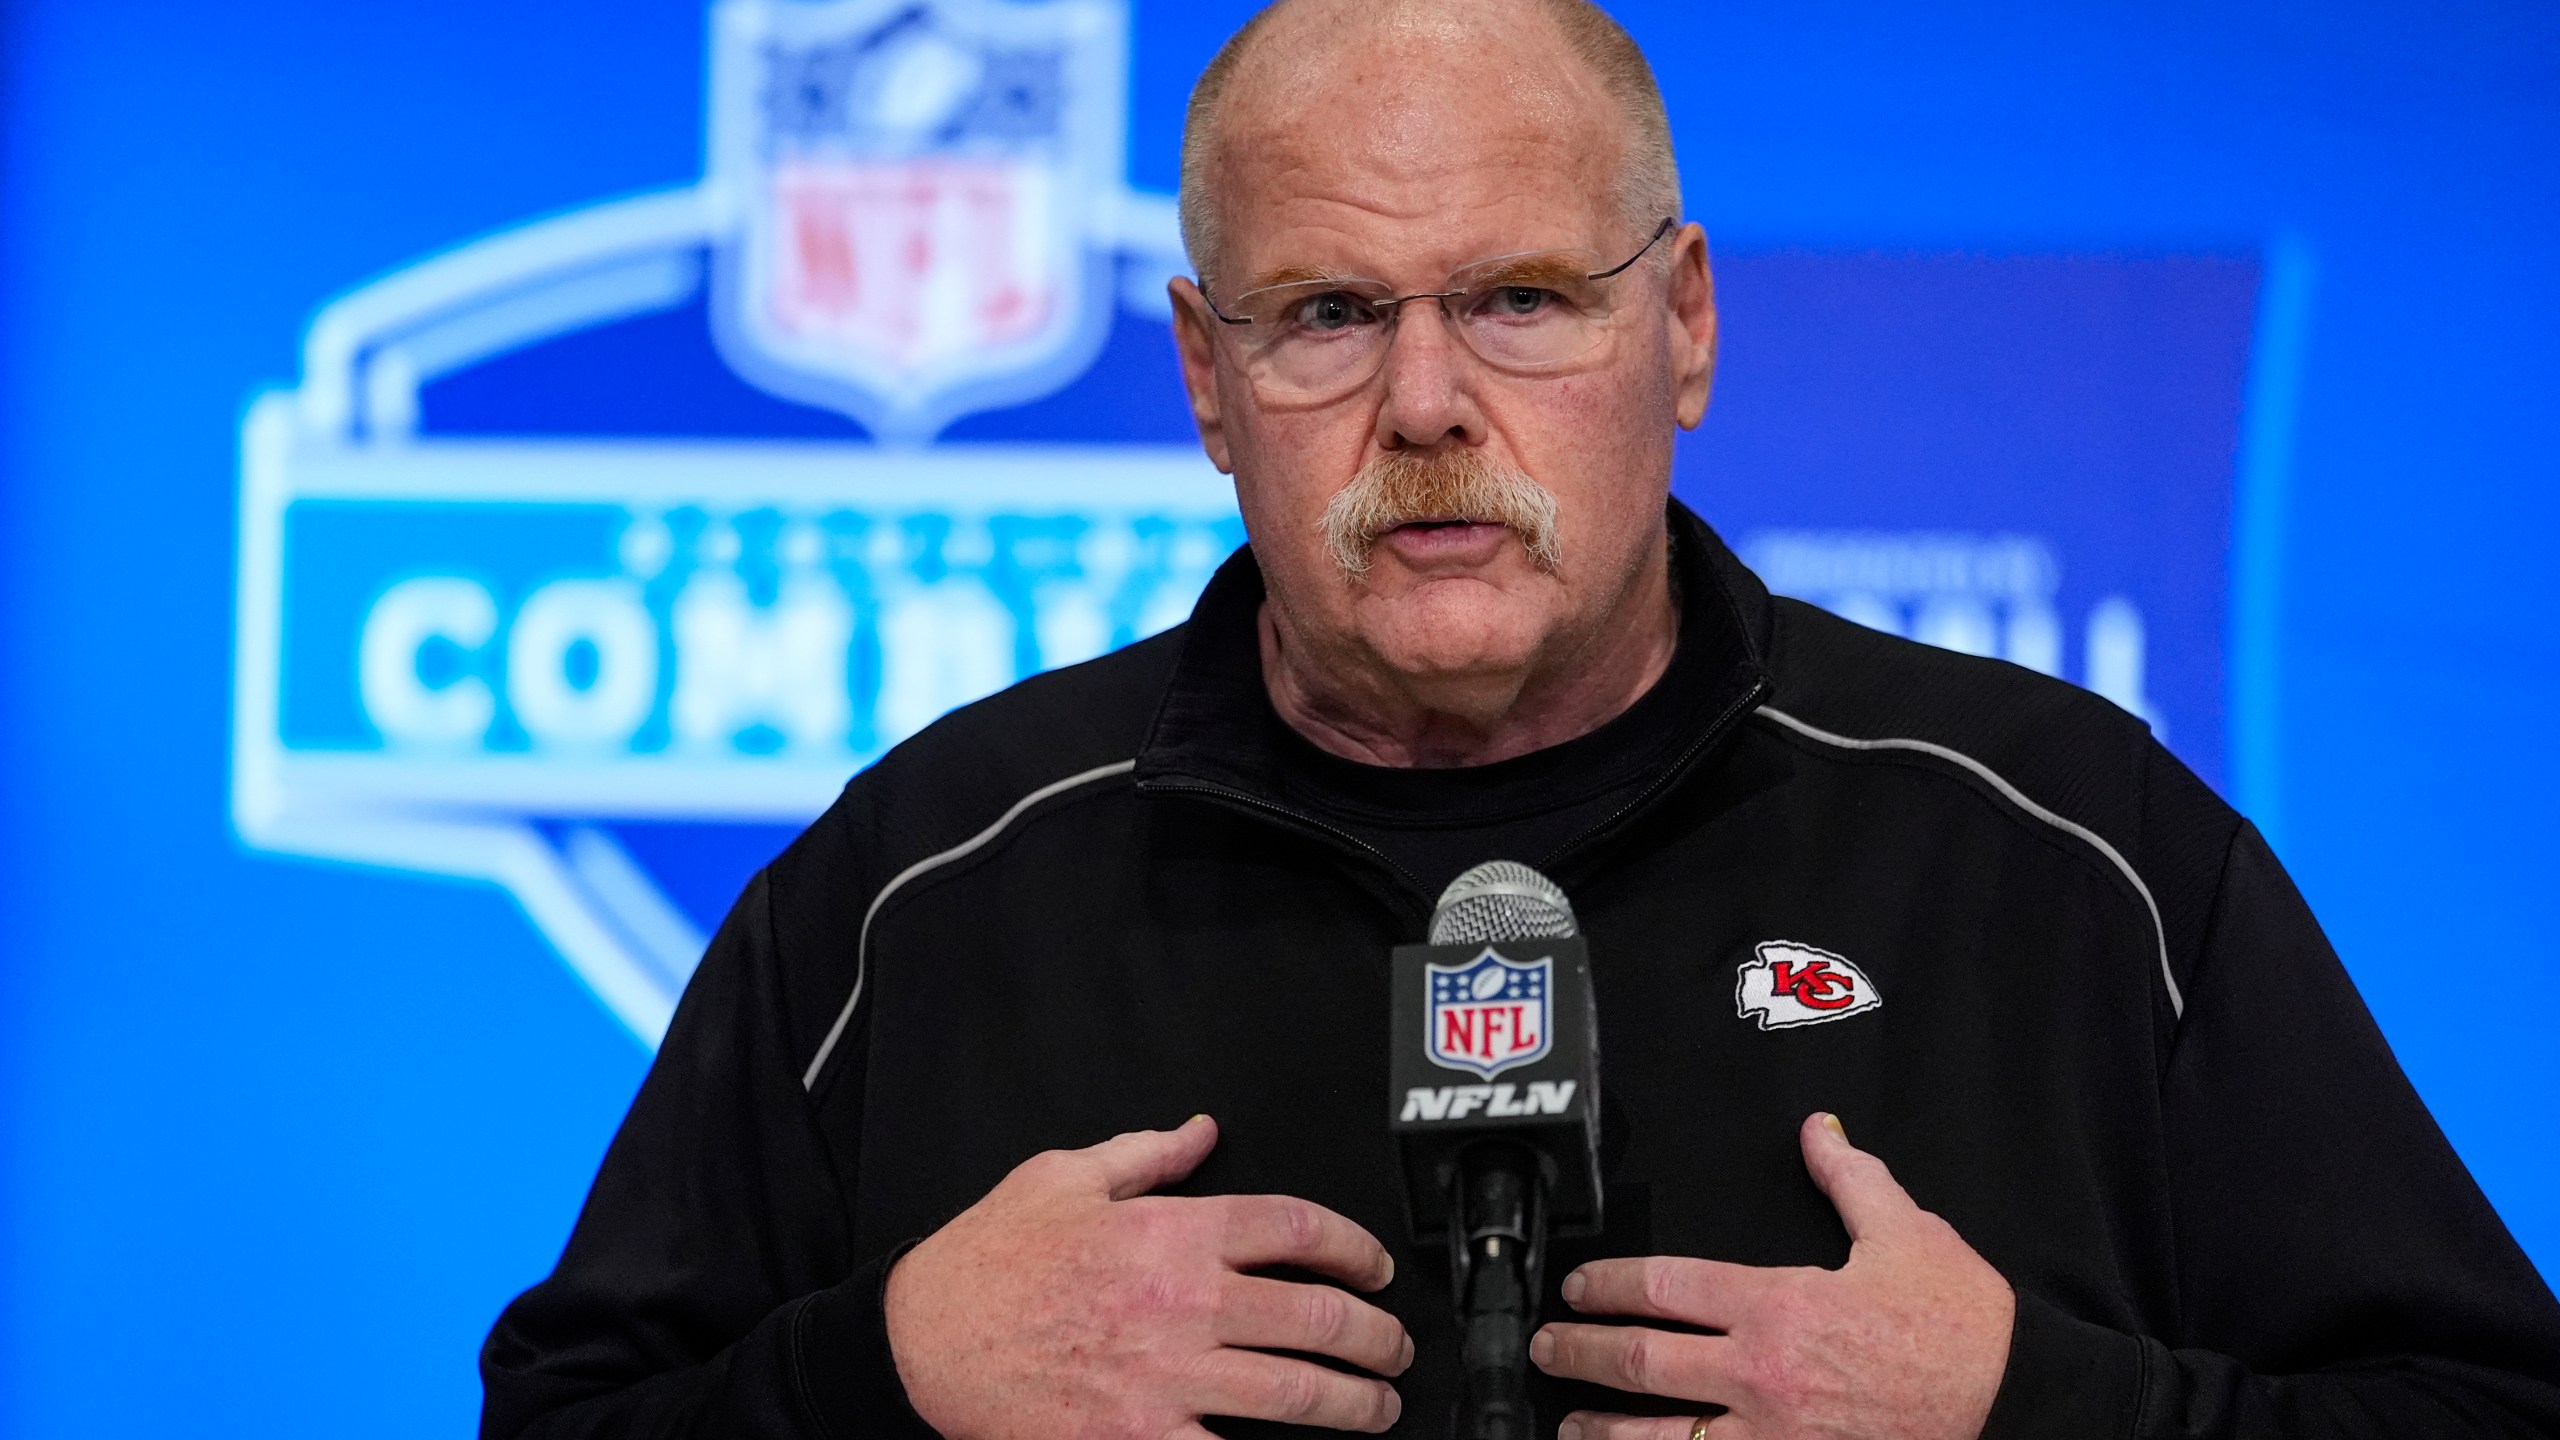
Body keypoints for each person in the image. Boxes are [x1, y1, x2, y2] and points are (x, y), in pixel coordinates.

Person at [479, 0, 2560, 1436]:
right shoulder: (924, 883)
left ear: (1685, 328)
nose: (1424, 403)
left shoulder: (2064, 850)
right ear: (1205, 384)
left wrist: (2040, 1408)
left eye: (1519, 300)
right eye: (1325, 315)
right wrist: (882, 1378)